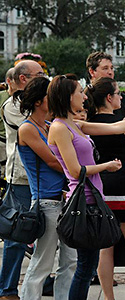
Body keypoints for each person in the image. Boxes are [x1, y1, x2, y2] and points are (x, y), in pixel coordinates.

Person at [46, 74, 125, 300]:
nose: (84, 96)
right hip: (83, 201)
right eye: (79, 92)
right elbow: (76, 171)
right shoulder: (59, 127)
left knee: (88, 265)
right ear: (68, 97)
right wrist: (106, 165)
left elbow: (118, 127)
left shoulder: (74, 124)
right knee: (85, 266)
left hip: (96, 199)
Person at [85, 77, 125, 300]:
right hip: (124, 184)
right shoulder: (123, 122)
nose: (122, 97)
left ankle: (109, 297)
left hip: (99, 186)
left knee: (106, 247)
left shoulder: (88, 122)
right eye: (118, 93)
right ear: (109, 98)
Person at [17, 77, 77, 300]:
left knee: (70, 261)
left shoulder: (50, 126)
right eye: (49, 96)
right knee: (42, 262)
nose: (53, 100)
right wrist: (78, 168)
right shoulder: (27, 129)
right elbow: (53, 161)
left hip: (64, 200)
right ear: (38, 101)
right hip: (46, 202)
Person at [0, 60, 46, 300]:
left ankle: (44, 281)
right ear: (23, 79)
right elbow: (37, 128)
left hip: (42, 177)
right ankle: (7, 289)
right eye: (39, 74)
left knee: (46, 235)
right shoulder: (12, 105)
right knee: (17, 234)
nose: (44, 78)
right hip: (21, 178)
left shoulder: (38, 102)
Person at [0, 68, 17, 178]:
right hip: (2, 142)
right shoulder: (1, 96)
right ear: (9, 81)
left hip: (16, 144)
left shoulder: (24, 99)